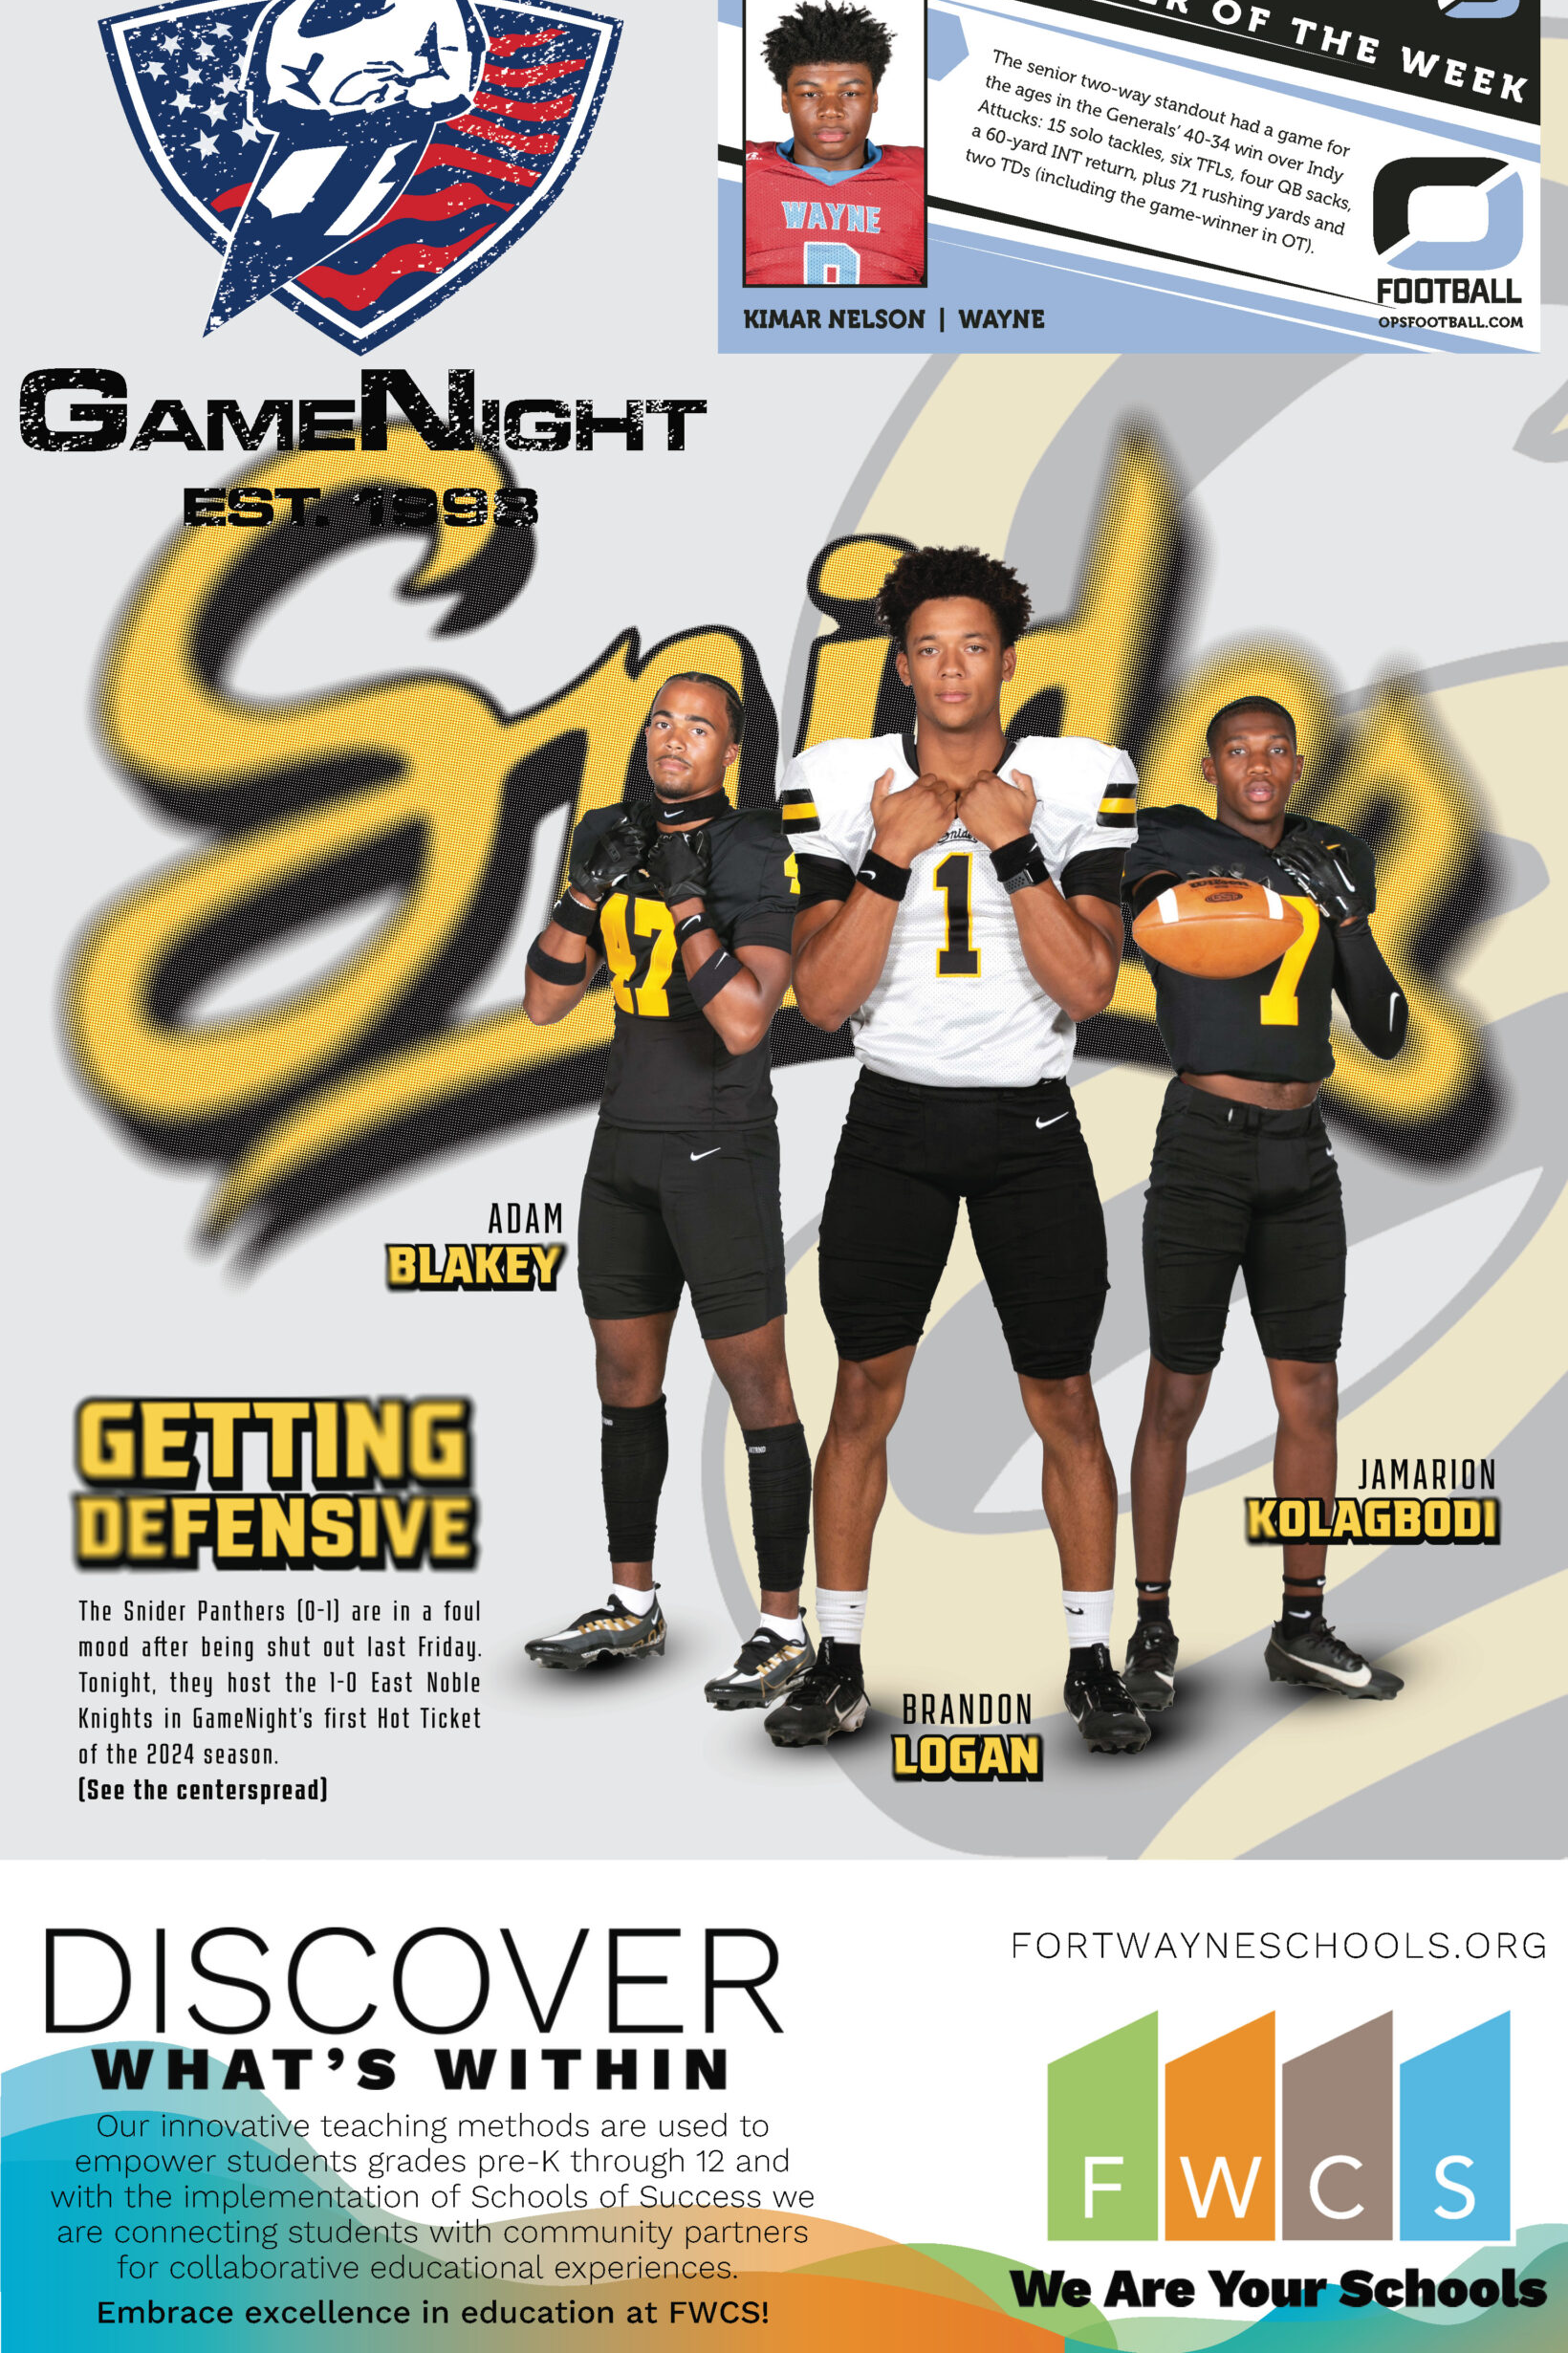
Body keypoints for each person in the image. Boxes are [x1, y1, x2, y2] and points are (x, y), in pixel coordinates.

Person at [767, 546, 1148, 1754]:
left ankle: (1090, 1659)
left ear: (1007, 662)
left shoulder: (1077, 778)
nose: (948, 668)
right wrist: (890, 852)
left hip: (1029, 1123)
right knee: (862, 1394)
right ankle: (836, 1660)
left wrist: (1013, 846)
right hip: (892, 1118)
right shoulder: (835, 779)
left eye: (971, 645)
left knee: (1063, 1397)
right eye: (927, 646)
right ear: (898, 662)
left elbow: (1088, 980)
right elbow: (820, 1004)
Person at [521, 674, 814, 1712]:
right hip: (623, 1142)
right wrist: (583, 895)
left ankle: (783, 1623)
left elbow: (745, 1020)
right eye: (660, 721)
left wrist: (690, 903)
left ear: (729, 749)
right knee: (621, 1378)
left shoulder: (749, 848)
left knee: (756, 1386)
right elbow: (544, 1002)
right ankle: (628, 1597)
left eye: (698, 725)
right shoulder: (607, 829)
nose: (673, 739)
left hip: (717, 1142)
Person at [1121, 696, 1410, 1713]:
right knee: (1175, 1393)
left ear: (1294, 764)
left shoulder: (1337, 853)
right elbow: (1125, 865)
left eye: (1271, 749)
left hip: (1301, 1151)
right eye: (1235, 749)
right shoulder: (1165, 833)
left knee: (1311, 1392)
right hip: (1202, 1140)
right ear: (1209, 765)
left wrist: (1347, 914)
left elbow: (1382, 1029)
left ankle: (1299, 1624)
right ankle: (1150, 1624)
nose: (1254, 763)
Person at [744, 0, 926, 287]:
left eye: (850, 93)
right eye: (809, 94)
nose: (831, 110)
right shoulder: (741, 174)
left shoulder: (924, 176)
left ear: (874, 100)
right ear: (785, 101)